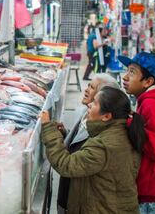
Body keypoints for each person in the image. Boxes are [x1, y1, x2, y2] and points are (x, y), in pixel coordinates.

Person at [41, 86, 146, 214]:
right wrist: (63, 135)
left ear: (106, 116)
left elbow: (66, 165)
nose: (89, 104)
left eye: (95, 103)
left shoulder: (104, 145)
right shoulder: (120, 131)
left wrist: (47, 128)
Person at [118, 52, 155, 214]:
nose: (125, 77)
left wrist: (130, 123)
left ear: (148, 81)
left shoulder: (153, 105)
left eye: (132, 72)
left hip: (151, 188)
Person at [57, 73, 120, 213]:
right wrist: (66, 134)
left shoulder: (101, 133)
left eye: (92, 88)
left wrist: (49, 133)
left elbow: (68, 164)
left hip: (80, 200)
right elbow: (78, 144)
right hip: (69, 191)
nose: (86, 89)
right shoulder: (85, 112)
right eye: (88, 85)